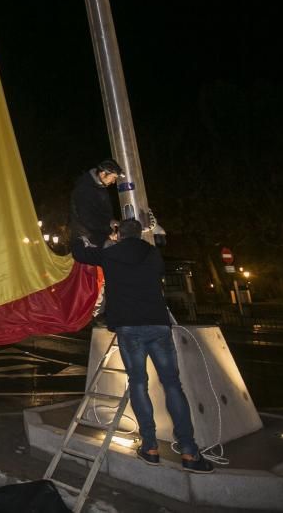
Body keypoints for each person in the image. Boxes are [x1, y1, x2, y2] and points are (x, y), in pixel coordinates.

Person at [71, 219, 215, 474]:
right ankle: (189, 451)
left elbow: (80, 253)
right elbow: (159, 241)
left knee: (138, 382)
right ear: (140, 234)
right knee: (172, 384)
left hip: (128, 327)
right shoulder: (153, 254)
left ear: (118, 234)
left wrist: (80, 234)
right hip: (157, 325)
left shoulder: (110, 254)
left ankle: (149, 447)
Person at [69, 158, 124, 248]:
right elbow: (87, 218)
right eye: (113, 177)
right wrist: (108, 226)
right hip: (87, 240)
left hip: (97, 237)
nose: (114, 182)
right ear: (102, 174)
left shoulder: (100, 186)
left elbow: (101, 213)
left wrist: (110, 222)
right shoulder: (84, 189)